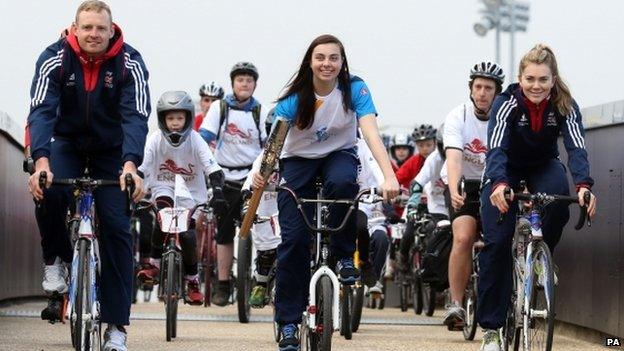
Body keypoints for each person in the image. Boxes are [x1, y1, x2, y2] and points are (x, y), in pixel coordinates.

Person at [249, 34, 399, 351]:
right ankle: (288, 323)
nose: (326, 63)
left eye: (333, 58)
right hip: (297, 160)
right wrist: (261, 174)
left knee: (345, 183)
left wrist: (389, 175)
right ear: (310, 62)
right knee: (292, 241)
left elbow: (370, 133)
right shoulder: (293, 99)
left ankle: (344, 256)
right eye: (320, 57)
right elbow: (274, 145)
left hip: (338, 155)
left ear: (342, 63)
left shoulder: (355, 89)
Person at [26, 1, 149, 349]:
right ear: (75, 29)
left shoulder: (130, 63)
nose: (94, 34)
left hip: (112, 151)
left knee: (115, 227)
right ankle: (56, 259)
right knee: (48, 191)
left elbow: (136, 117)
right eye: (87, 27)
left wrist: (130, 165)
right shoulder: (54, 57)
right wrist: (41, 163)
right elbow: (41, 110)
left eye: (100, 28)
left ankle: (116, 327)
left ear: (111, 30)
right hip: (66, 142)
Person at [478, 44, 597, 351]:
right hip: (504, 168)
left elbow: (576, 148)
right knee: (496, 243)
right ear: (520, 78)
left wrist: (584, 185)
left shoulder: (565, 105)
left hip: (543, 165)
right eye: (530, 79)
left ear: (553, 80)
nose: (536, 86)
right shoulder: (506, 103)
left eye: (543, 80)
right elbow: (496, 148)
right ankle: (492, 330)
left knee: (559, 199)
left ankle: (543, 257)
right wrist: (499, 185)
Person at [136, 91, 227, 305]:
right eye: (170, 118)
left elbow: (211, 167)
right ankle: (154, 265)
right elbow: (144, 166)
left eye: (180, 118)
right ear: (162, 119)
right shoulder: (155, 139)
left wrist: (219, 191)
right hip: (163, 186)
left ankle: (193, 282)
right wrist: (136, 181)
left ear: (187, 118)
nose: (175, 124)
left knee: (186, 234)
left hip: (191, 193)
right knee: (163, 218)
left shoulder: (195, 140)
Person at [441, 61, 504, 331]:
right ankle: (455, 302)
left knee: (499, 239)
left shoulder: (504, 116)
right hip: (464, 182)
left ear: (497, 91)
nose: (482, 93)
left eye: (488, 88)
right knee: (464, 235)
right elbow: (454, 158)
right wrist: (454, 188)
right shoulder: (459, 116)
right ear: (470, 89)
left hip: (496, 183)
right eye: (477, 87)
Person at [198, 61, 268, 306]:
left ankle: (261, 279)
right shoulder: (220, 107)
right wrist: (207, 170)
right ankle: (224, 283)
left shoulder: (260, 111)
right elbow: (204, 139)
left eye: (249, 80)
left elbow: (267, 145)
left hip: (252, 179)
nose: (245, 84)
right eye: (240, 80)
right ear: (233, 83)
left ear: (254, 85)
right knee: (225, 232)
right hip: (226, 177)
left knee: (260, 229)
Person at [398, 124, 449, 267]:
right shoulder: (430, 160)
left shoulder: (459, 156)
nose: (425, 148)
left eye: (428, 144)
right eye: (421, 145)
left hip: (450, 205)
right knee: (409, 230)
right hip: (430, 205)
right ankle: (403, 258)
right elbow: (413, 183)